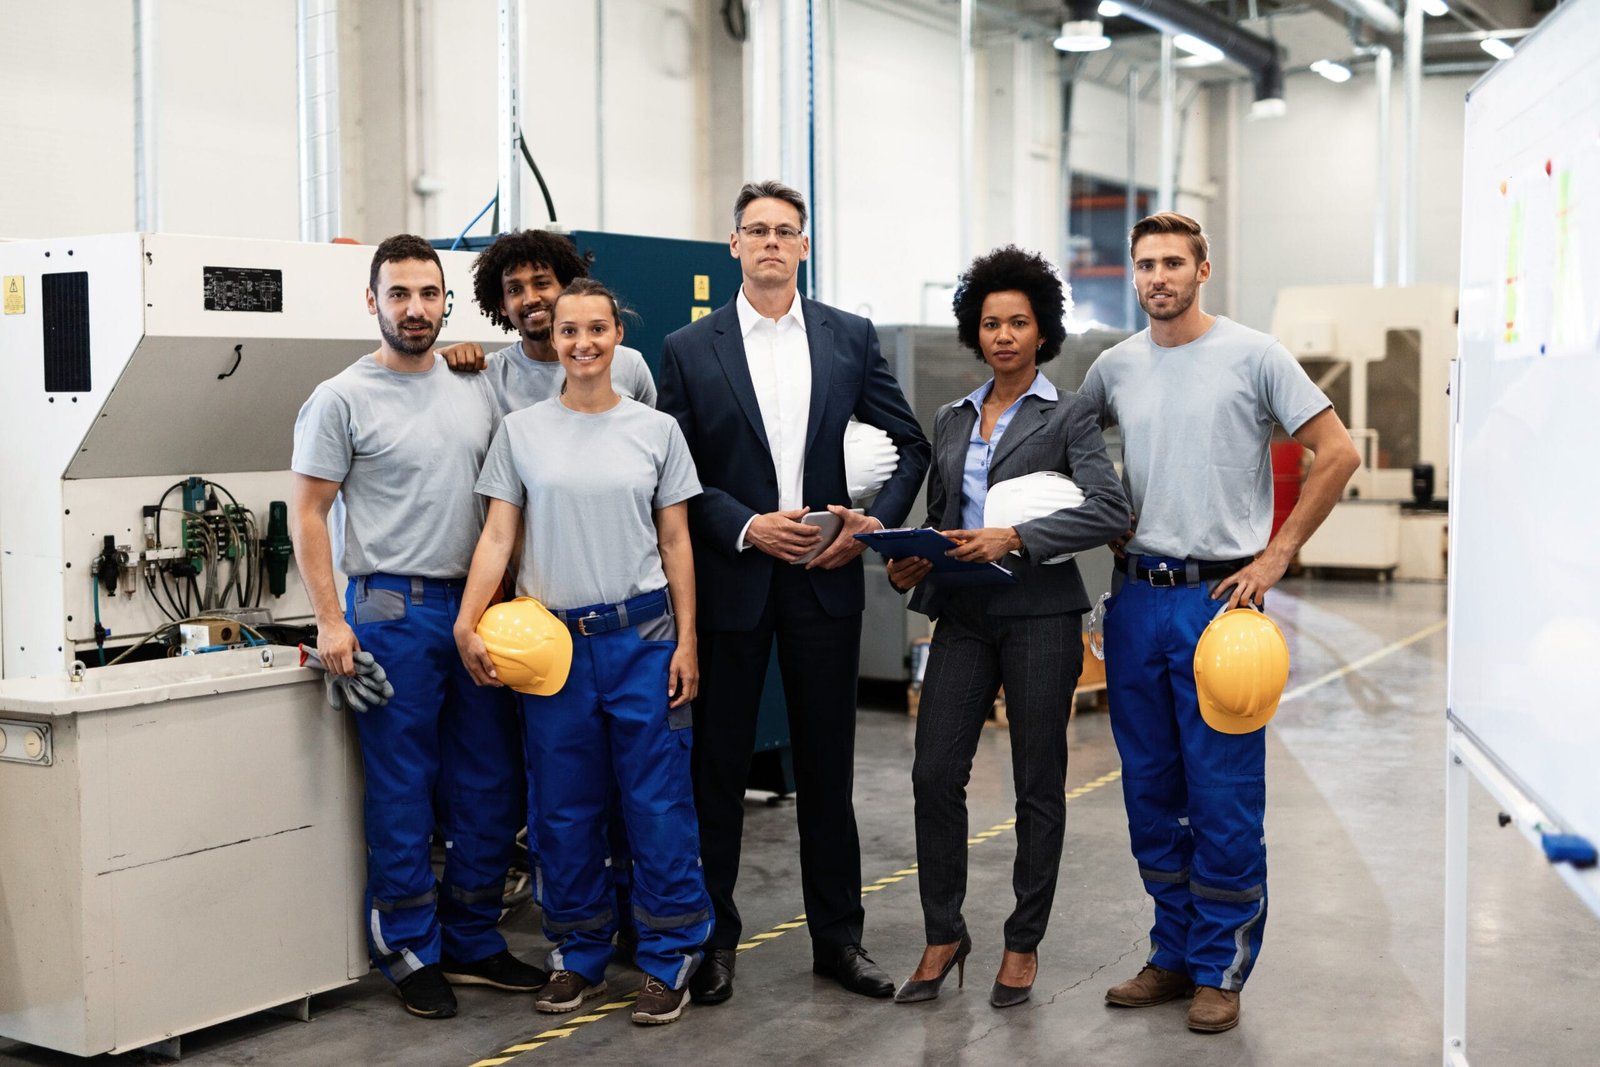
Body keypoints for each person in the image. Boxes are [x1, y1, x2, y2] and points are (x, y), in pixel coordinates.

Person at [1080, 212, 1359, 1034]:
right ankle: (1172, 952)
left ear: (1204, 269)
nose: (1156, 277)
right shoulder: (1114, 367)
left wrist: (1276, 556)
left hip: (1221, 607)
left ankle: (1221, 967)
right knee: (1150, 792)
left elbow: (1336, 450)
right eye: (1143, 265)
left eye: (1172, 262)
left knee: (1224, 795)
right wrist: (1105, 514)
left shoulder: (1255, 355)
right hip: (1135, 602)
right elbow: (1066, 442)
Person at [658, 180, 931, 1004]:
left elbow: (911, 444)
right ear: (733, 245)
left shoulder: (848, 338)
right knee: (718, 769)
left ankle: (839, 942)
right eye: (756, 230)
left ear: (804, 246)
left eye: (786, 231)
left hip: (824, 580)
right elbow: (674, 473)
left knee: (826, 769)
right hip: (733, 580)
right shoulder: (687, 347)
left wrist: (870, 526)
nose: (771, 242)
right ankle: (712, 943)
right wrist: (745, 525)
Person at [289, 235, 545, 1019]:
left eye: (428, 294)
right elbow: (308, 511)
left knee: (491, 784)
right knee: (403, 789)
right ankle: (408, 947)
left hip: (479, 612)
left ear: (447, 302)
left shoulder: (476, 384)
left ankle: (471, 937)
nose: (415, 308)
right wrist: (330, 621)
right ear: (373, 301)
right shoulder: (340, 397)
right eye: (398, 293)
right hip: (391, 612)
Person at [454, 278, 711, 1026]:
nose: (584, 343)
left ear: (616, 337)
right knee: (562, 812)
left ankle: (669, 958)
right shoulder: (523, 431)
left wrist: (688, 640)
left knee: (656, 806)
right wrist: (468, 623)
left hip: (643, 640)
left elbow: (676, 543)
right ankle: (578, 953)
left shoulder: (655, 431)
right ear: (554, 339)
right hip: (553, 651)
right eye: (570, 331)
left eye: (597, 329)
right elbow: (498, 535)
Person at [884, 246, 1129, 1009]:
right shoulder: (952, 418)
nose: (1003, 334)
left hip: (1039, 618)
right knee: (933, 774)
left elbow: (1109, 509)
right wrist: (915, 560)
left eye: (1018, 321)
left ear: (1042, 329)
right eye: (991, 322)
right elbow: (943, 517)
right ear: (975, 329)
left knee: (1037, 783)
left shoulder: (1069, 414)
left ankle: (1022, 941)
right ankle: (943, 931)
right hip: (962, 614)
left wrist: (1017, 538)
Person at [441, 228, 657, 411]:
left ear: (566, 287)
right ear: (502, 305)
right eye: (515, 289)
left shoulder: (629, 365)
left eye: (542, 283)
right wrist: (441, 359)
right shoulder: (489, 376)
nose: (531, 299)